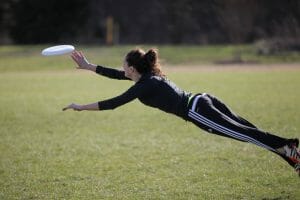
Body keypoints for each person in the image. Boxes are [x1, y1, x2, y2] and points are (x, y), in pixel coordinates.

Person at [63, 48, 300, 176]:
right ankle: (292, 157)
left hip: (198, 111)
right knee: (248, 131)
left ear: (132, 68)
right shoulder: (145, 77)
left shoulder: (145, 84)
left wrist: (81, 107)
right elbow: (115, 74)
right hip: (203, 99)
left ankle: (287, 145)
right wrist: (88, 66)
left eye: (124, 65)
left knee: (244, 134)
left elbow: (113, 102)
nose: (122, 68)